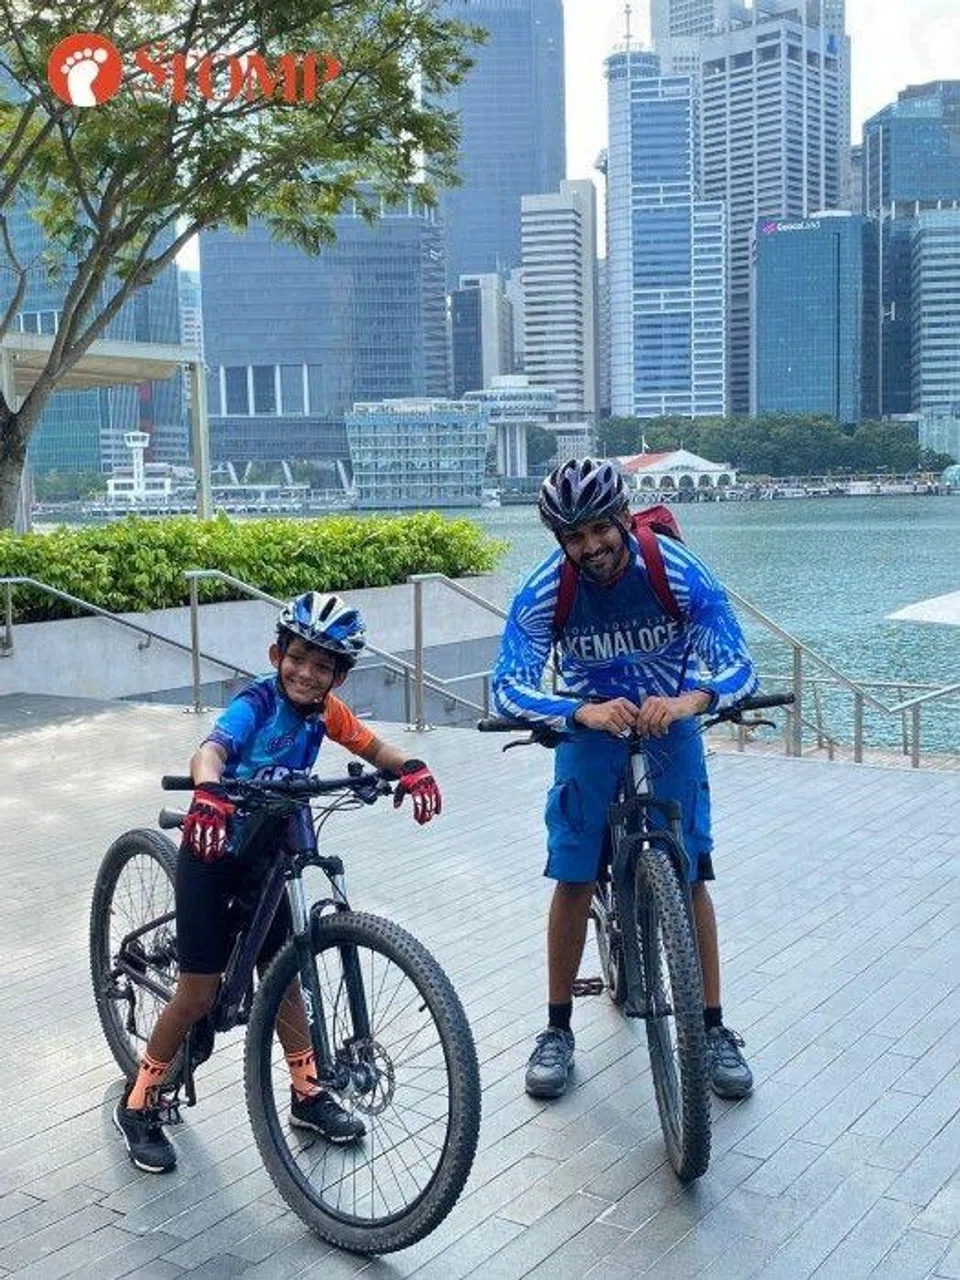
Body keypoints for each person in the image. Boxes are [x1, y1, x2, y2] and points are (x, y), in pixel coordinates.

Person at [114, 591, 442, 1174]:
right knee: (198, 993)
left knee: (284, 975)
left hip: (270, 857)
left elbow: (372, 746)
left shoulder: (328, 712)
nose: (307, 672)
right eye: (298, 658)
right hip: (213, 850)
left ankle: (307, 1093)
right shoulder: (257, 702)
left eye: (323, 665)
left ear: (338, 677)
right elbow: (210, 751)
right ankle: (139, 1102)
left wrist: (410, 769)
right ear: (276, 655)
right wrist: (209, 792)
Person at [491, 457, 759, 1103]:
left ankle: (713, 1028)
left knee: (691, 873)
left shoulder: (675, 570)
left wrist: (693, 700)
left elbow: (739, 665)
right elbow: (507, 685)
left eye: (598, 530)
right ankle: (557, 1028)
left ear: (623, 518)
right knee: (574, 874)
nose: (590, 547)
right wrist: (577, 711)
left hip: (670, 722)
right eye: (573, 537)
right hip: (590, 727)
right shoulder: (546, 588)